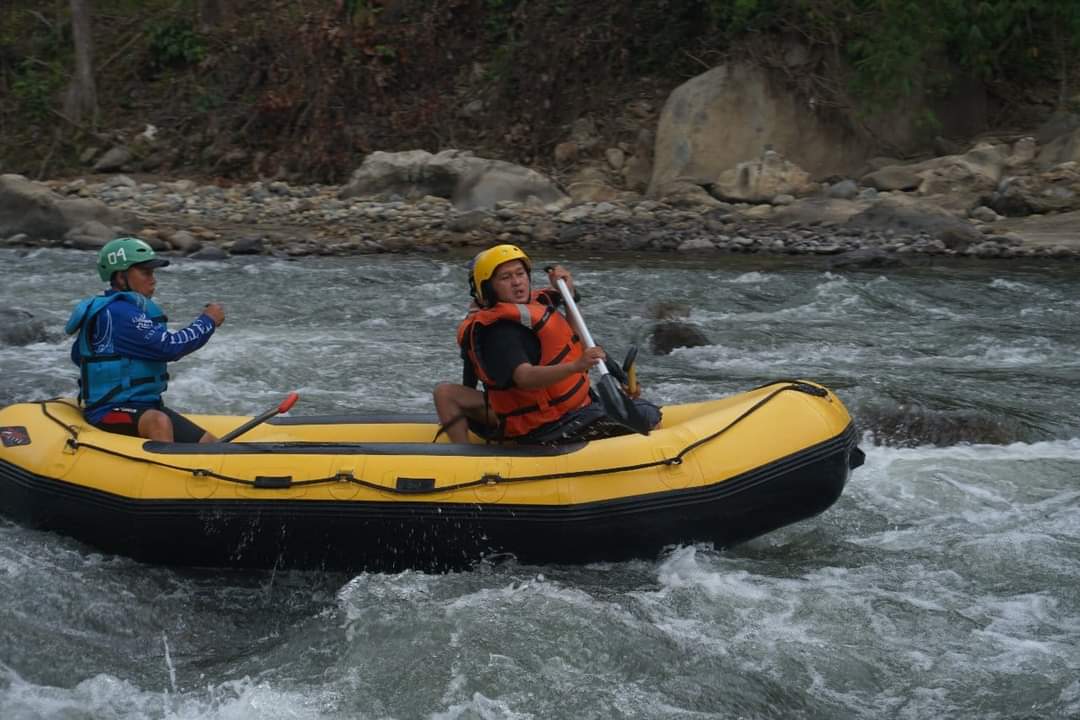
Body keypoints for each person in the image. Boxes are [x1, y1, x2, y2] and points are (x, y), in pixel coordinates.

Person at [433, 244, 660, 444]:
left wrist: (568, 292)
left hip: (563, 410)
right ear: (489, 288)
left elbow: (576, 337)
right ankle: (464, 457)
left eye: (520, 274)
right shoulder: (499, 331)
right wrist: (575, 367)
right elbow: (525, 377)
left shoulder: (530, 309)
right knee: (648, 415)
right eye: (506, 278)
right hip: (548, 425)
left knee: (639, 411)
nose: (517, 283)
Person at [65, 237, 225, 443]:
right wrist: (207, 321)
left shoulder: (124, 310)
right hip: (108, 410)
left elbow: (79, 356)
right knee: (158, 422)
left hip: (144, 406)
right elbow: (169, 348)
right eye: (145, 272)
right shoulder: (119, 312)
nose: (153, 279)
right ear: (121, 277)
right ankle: (167, 474)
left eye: (153, 272)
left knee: (209, 444)